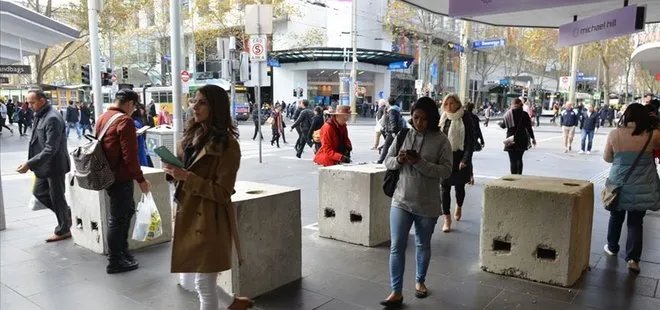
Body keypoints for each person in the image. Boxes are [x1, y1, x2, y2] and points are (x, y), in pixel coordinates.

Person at [162, 84, 254, 310]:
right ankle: (233, 303)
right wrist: (173, 172)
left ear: (216, 107)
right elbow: (184, 173)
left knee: (203, 283)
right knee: (198, 281)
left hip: (210, 219)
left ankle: (232, 302)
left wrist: (187, 177)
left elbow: (223, 192)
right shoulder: (191, 136)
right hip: (188, 213)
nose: (195, 106)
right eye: (194, 101)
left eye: (202, 102)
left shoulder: (228, 145)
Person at [380, 97, 453, 308]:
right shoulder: (404, 134)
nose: (419, 122)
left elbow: (446, 171)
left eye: (424, 119)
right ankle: (396, 291)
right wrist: (401, 160)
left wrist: (419, 163)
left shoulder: (441, 140)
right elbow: (388, 160)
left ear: (432, 119)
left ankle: (420, 281)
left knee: (422, 244)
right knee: (396, 247)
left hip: (427, 204)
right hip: (401, 200)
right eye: (415, 117)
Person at [96, 89, 152, 274]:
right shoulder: (124, 121)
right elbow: (130, 157)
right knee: (118, 219)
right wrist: (141, 180)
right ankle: (115, 260)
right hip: (121, 177)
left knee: (126, 212)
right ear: (129, 103)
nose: (133, 110)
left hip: (108, 176)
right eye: (133, 106)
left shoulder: (104, 117)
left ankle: (122, 251)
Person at [602, 104, 660, 273]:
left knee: (616, 216)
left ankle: (612, 247)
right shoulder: (653, 135)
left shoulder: (615, 134)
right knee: (636, 222)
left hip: (619, 185)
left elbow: (607, 158)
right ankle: (633, 259)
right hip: (643, 185)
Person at [17, 89, 71, 242]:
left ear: (42, 100)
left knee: (57, 197)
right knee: (40, 193)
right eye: (28, 102)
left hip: (54, 165)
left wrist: (29, 163)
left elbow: (50, 148)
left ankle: (63, 229)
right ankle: (67, 215)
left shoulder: (52, 117)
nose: (29, 105)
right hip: (43, 165)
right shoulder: (40, 114)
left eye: (32, 102)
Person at [438, 94, 474, 233]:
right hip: (445, 158)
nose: (449, 106)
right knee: (444, 188)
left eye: (452, 103)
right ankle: (447, 218)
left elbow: (470, 141)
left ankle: (459, 206)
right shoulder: (443, 117)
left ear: (458, 104)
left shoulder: (465, 117)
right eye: (446, 104)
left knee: (459, 187)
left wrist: (465, 159)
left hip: (460, 158)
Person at [501, 98, 536, 175]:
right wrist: (533, 138)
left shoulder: (508, 113)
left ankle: (513, 176)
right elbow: (529, 128)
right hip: (522, 139)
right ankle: (519, 176)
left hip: (511, 139)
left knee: (512, 160)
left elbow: (503, 126)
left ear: (512, 104)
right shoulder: (525, 114)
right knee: (519, 159)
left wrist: (499, 124)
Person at [377, 97, 403, 164]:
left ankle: (380, 160)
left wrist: (393, 131)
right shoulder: (397, 109)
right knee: (396, 146)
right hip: (397, 130)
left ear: (389, 103)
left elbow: (392, 121)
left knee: (386, 146)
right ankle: (397, 159)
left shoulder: (391, 111)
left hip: (392, 132)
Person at [466, 103, 484, 185]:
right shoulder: (474, 117)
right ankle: (470, 177)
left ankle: (468, 177)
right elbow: (478, 129)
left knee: (464, 160)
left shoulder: (463, 116)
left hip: (464, 141)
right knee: (469, 159)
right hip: (472, 140)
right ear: (472, 108)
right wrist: (482, 140)